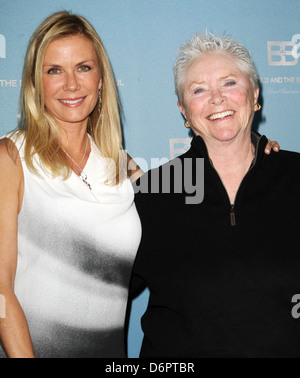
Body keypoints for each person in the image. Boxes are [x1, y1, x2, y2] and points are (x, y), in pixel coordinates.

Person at [131, 33, 300, 358]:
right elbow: (98, 301)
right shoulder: (153, 193)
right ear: (183, 109)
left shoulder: (295, 177)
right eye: (198, 90)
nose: (217, 99)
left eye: (229, 83)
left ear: (254, 94)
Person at [0, 11, 142, 358]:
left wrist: (251, 148)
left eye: (83, 67)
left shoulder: (124, 167)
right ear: (36, 83)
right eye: (54, 71)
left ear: (101, 80)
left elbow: (197, 202)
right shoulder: (10, 157)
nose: (71, 85)